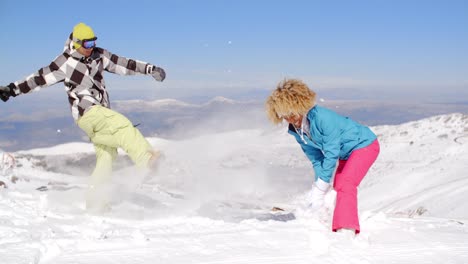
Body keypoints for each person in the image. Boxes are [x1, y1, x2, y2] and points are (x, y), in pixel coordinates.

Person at [0, 22, 166, 211]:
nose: (91, 47)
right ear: (77, 43)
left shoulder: (99, 55)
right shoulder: (65, 61)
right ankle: (147, 160)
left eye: (93, 42)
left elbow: (123, 64)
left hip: (99, 115)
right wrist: (12, 89)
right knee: (121, 124)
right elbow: (39, 78)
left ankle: (96, 204)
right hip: (87, 111)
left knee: (106, 156)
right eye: (87, 44)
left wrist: (151, 69)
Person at [265, 79, 380, 235]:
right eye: (284, 115)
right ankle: (329, 218)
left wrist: (321, 186)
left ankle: (346, 228)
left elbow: (331, 154)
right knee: (338, 185)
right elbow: (316, 158)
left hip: (364, 145)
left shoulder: (323, 118)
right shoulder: (297, 131)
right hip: (346, 154)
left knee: (346, 183)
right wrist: (319, 185)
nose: (289, 119)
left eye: (290, 113)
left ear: (299, 106)